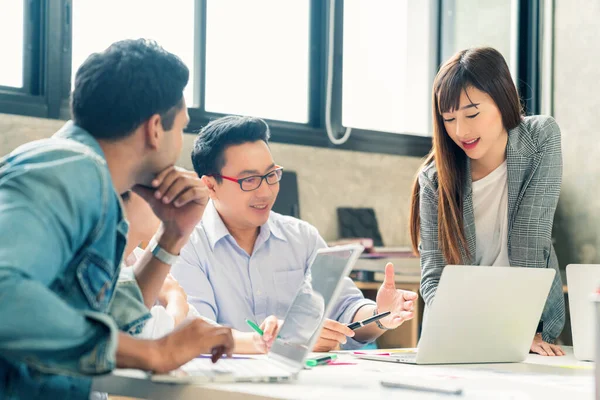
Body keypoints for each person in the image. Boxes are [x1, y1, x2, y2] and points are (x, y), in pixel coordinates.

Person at [0, 39, 233, 399]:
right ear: (155, 128)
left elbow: (106, 317)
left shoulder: (91, 182)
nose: (180, 144)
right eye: (182, 128)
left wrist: (172, 235)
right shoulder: (70, 169)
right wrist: (155, 352)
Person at [171, 115, 418, 353]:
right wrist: (284, 341)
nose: (265, 192)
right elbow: (196, 332)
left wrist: (381, 315)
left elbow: (345, 310)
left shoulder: (302, 237)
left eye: (270, 175)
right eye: (249, 180)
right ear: (210, 186)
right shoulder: (185, 244)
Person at [408, 47, 565, 356]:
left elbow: (530, 239)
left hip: (527, 326)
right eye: (449, 119)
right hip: (457, 333)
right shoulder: (434, 180)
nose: (460, 131)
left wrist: (523, 330)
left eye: (472, 114)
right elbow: (434, 275)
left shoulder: (541, 138)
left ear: (502, 98)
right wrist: (454, 332)